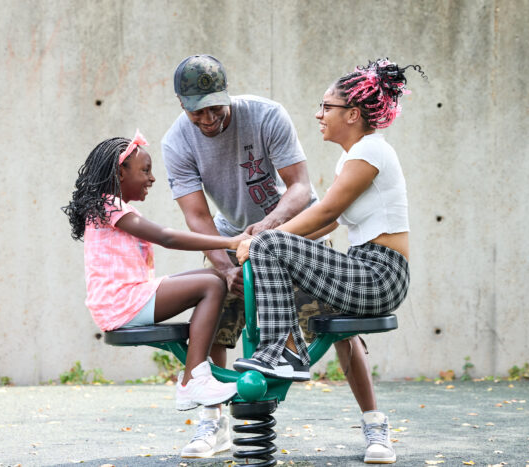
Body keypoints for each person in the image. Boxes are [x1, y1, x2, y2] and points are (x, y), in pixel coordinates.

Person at [161, 54, 379, 459]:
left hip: (296, 232)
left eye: (214, 107)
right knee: (214, 319)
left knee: (338, 327)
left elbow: (299, 188)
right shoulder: (176, 142)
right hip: (233, 241)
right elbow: (197, 217)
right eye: (197, 112)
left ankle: (374, 425)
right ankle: (213, 425)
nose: (207, 119)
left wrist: (269, 228)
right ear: (181, 105)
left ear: (226, 94)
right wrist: (227, 269)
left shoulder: (265, 115)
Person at [234, 58, 425, 464]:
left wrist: (265, 241)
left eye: (326, 107)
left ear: (353, 114)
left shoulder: (370, 150)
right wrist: (259, 240)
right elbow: (327, 224)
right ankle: (375, 427)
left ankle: (282, 350)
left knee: (270, 247)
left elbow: (322, 213)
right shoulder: (354, 156)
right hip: (362, 267)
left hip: (380, 274)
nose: (319, 115)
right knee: (275, 263)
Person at [61, 131, 245, 446]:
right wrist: (231, 241)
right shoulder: (110, 207)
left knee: (214, 279)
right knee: (212, 284)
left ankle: (201, 381)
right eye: (145, 170)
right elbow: (167, 237)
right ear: (120, 172)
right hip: (123, 303)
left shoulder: (108, 208)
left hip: (127, 298)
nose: (153, 178)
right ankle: (193, 378)